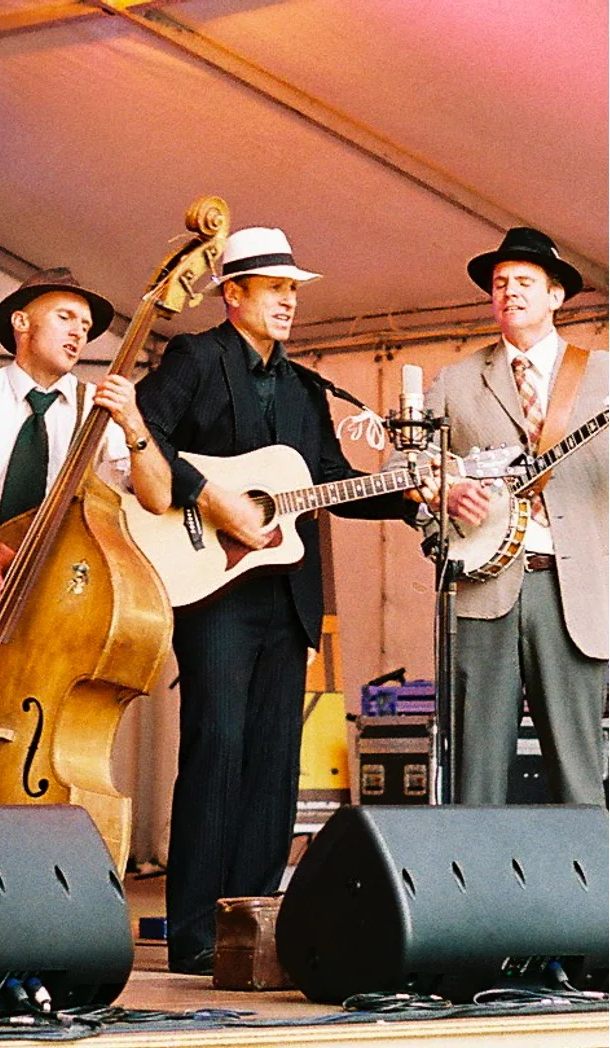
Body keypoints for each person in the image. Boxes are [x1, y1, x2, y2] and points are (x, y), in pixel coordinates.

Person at [135, 226, 419, 975]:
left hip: (286, 597)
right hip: (213, 585)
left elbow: (326, 476)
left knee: (271, 763)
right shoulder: (197, 357)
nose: (290, 301)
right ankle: (194, 925)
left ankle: (252, 926)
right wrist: (214, 500)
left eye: (295, 289)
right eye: (276, 288)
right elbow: (139, 430)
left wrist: (408, 497)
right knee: (217, 746)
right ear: (234, 294)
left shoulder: (304, 383)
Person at [0, 267, 171, 722]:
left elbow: (157, 497)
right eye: (66, 317)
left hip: (48, 598)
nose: (78, 333)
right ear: (21, 323)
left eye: (86, 327)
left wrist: (133, 424)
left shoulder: (99, 410)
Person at [423, 227, 608, 806]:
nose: (509, 292)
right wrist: (444, 498)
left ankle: (591, 894)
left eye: (525, 281)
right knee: (475, 772)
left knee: (580, 772)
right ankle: (476, 893)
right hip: (482, 589)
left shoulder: (602, 375)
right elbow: (414, 468)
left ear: (556, 296)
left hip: (571, 588)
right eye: (500, 283)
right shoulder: (455, 380)